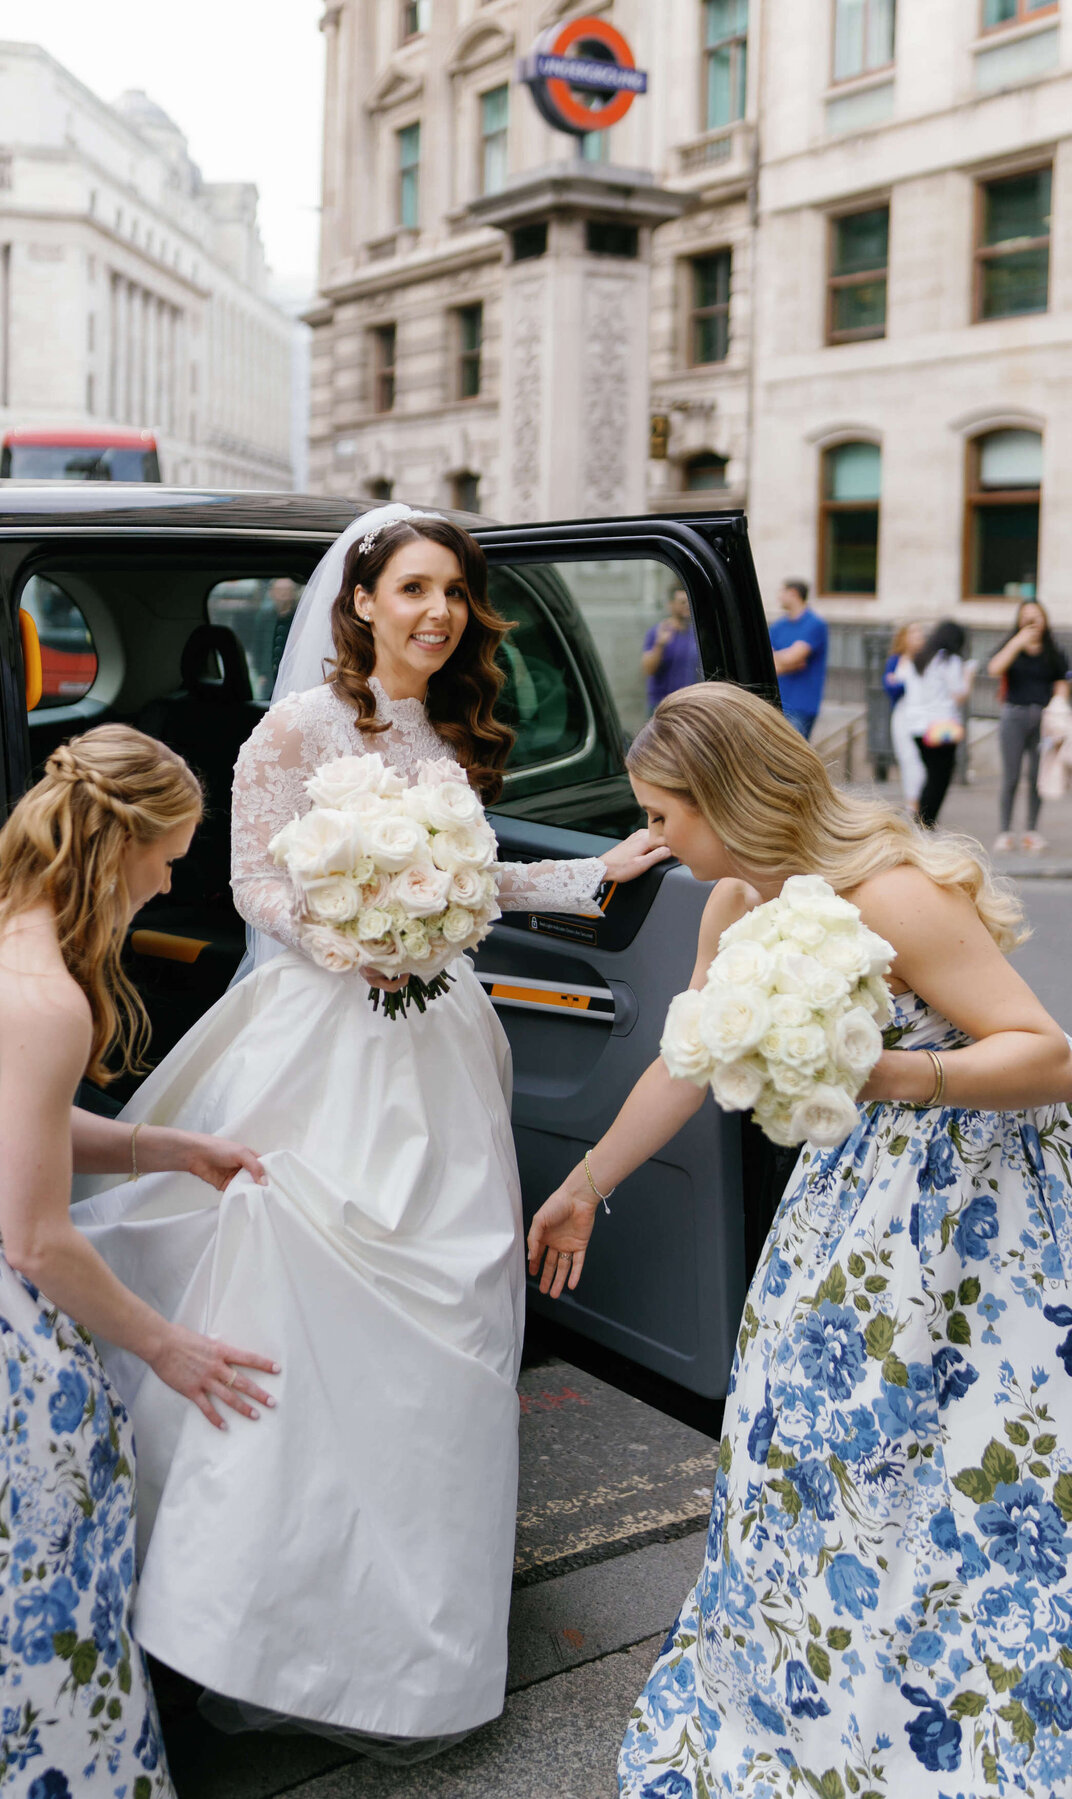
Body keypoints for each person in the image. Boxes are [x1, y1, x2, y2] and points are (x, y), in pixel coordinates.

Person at [70, 504, 668, 1759]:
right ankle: (272, 1612)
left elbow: (469, 876)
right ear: (361, 600)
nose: (436, 611)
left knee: (454, 1318)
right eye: (412, 588)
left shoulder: (450, 727)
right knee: (296, 1298)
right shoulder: (295, 726)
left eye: (453, 590)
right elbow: (253, 882)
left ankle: (413, 1634)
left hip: (441, 1047)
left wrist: (589, 876)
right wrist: (369, 944)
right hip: (323, 1035)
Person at [525, 683, 1072, 1799]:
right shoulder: (729, 901)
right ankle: (810, 1684)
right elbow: (691, 1056)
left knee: (962, 1473)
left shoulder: (898, 893)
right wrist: (587, 1182)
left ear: (728, 797)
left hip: (975, 1218)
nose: (652, 840)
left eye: (665, 815)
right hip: (844, 1213)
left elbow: (1048, 1053)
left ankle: (950, 1703)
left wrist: (890, 1075)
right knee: (805, 1449)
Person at [0, 725, 279, 1796]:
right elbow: (38, 1237)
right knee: (51, 1469)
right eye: (171, 855)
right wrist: (169, 1344)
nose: (172, 878)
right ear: (121, 849)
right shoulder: (47, 994)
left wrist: (164, 1145)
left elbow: (8, 1117)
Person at [987, 598, 1070, 854]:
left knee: (1038, 776)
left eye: (1037, 617)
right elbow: (993, 669)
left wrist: (1059, 708)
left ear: (1045, 620)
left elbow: (1061, 683)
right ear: (1019, 620)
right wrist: (1017, 643)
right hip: (1014, 716)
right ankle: (1005, 832)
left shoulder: (1054, 651)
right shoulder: (1013, 646)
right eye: (1026, 617)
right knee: (1011, 777)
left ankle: (1032, 831)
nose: (1032, 622)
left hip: (1043, 721)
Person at [896, 620, 977, 829]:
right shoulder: (949, 660)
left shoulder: (919, 658)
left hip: (915, 726)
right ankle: (925, 823)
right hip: (940, 727)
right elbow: (959, 695)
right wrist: (969, 676)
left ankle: (922, 820)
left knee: (931, 774)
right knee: (939, 778)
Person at [769, 579, 828, 740]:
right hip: (777, 702)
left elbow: (792, 658)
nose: (779, 597)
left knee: (793, 759)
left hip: (801, 705)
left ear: (794, 593)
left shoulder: (814, 624)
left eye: (782, 592)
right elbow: (770, 662)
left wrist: (786, 659)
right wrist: (789, 660)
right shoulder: (778, 626)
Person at [882, 621, 927, 815]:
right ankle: (912, 802)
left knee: (922, 759)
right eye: (913, 632)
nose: (918, 636)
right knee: (907, 757)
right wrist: (903, 683)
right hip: (902, 714)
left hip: (923, 714)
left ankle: (923, 800)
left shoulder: (927, 660)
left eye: (920, 632)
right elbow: (890, 687)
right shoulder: (896, 660)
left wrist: (901, 682)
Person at [641, 589, 699, 712]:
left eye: (689, 601)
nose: (687, 606)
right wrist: (660, 645)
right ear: (671, 605)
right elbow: (648, 669)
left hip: (688, 703)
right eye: (682, 602)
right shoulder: (657, 632)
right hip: (661, 704)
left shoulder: (695, 633)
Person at [250, 575, 299, 698]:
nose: (283, 594)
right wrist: (260, 672)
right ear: (272, 593)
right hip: (268, 674)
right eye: (279, 590)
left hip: (292, 674)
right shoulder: (265, 616)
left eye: (287, 590)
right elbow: (257, 645)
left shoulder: (298, 617)